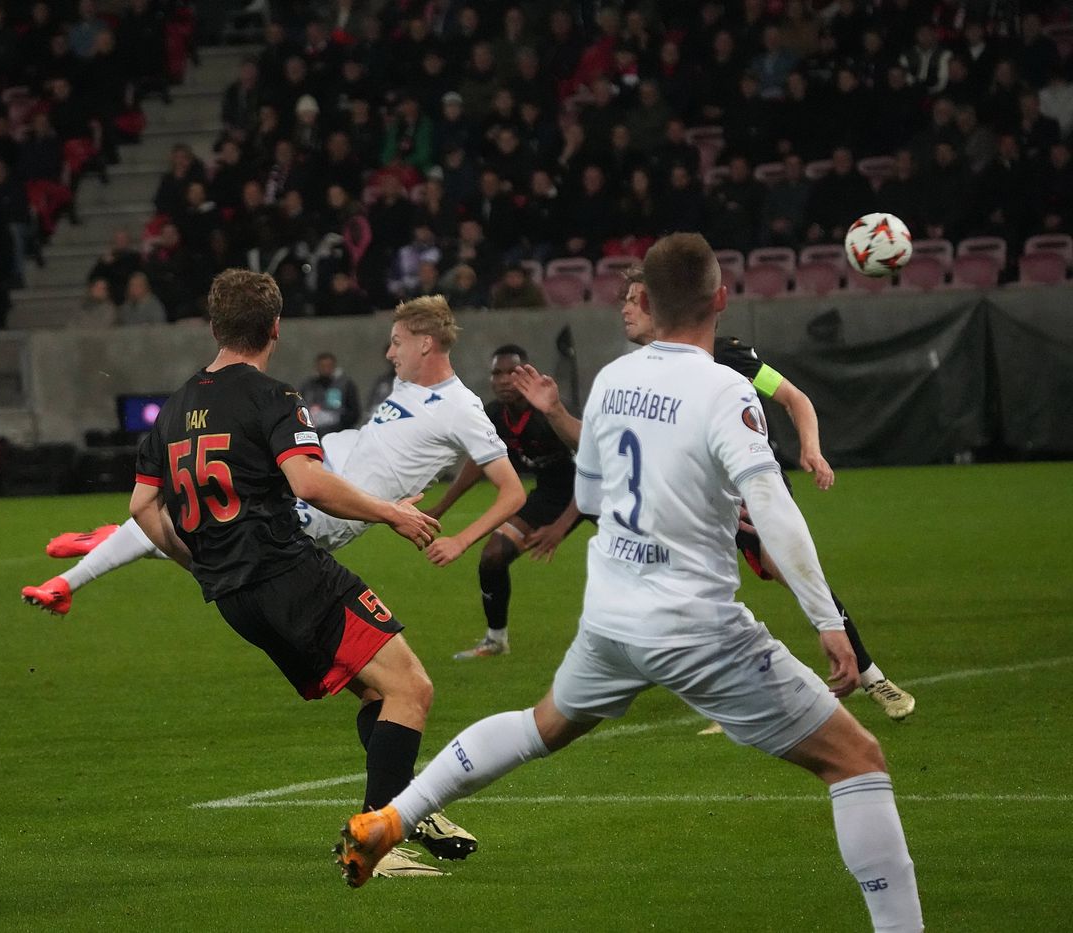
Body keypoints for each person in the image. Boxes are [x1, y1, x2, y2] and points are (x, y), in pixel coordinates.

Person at [334, 235, 925, 933]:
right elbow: (772, 505)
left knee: (537, 726)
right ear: (720, 300)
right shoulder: (725, 388)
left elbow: (592, 490)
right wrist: (826, 618)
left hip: (611, 620)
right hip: (696, 626)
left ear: (648, 301)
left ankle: (392, 816)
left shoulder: (614, 379)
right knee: (857, 760)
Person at [125, 269, 472, 878]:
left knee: (376, 690)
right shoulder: (274, 397)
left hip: (235, 597)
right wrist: (390, 512)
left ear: (214, 327)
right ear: (276, 329)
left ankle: (403, 806)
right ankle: (376, 839)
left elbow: (141, 508)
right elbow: (310, 483)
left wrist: (201, 563)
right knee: (411, 688)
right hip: (289, 573)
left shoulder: (174, 406)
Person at [511, 266, 916, 722]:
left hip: (745, 495)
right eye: (623, 298)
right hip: (683, 507)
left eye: (635, 297)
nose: (625, 307)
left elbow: (794, 398)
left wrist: (812, 449)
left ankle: (869, 674)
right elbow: (597, 445)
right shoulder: (630, 375)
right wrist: (555, 411)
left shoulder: (722, 357)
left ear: (659, 304)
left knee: (796, 576)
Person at [22, 296, 525, 613]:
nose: (390, 353)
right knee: (204, 511)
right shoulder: (408, 381)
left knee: (209, 528)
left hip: (329, 509)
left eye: (397, 343)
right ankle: (95, 561)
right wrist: (431, 499)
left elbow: (511, 490)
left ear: (427, 343)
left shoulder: (464, 408)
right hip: (313, 467)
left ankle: (93, 561)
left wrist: (458, 540)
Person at [427, 345, 580, 660]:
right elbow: (479, 461)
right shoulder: (495, 414)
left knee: (634, 559)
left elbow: (594, 470)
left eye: (513, 371)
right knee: (493, 557)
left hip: (595, 494)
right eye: (497, 372)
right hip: (552, 494)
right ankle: (496, 641)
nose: (504, 379)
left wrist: (560, 527)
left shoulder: (550, 414)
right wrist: (441, 507)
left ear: (527, 374)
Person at [299, 351, 361, 436]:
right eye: (322, 366)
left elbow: (354, 412)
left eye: (329, 366)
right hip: (314, 433)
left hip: (339, 433)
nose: (325, 369)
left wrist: (340, 422)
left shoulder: (346, 385)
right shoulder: (308, 386)